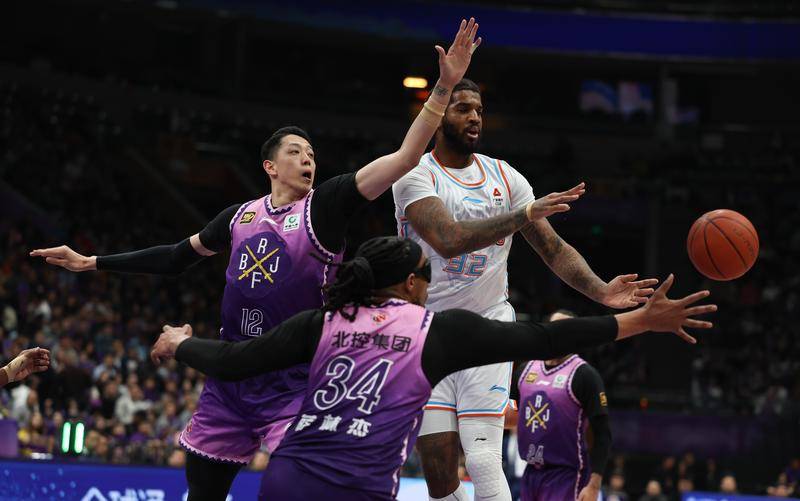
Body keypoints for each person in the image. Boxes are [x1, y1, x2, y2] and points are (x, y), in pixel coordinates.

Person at [30, 18, 482, 500]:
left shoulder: (325, 206)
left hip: (295, 382)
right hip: (228, 382)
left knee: (301, 490)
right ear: (270, 166)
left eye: (312, 154)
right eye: (296, 152)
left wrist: (443, 87)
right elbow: (175, 257)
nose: (308, 160)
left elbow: (405, 157)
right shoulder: (238, 217)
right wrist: (92, 262)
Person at [150, 236, 716, 501]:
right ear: (413, 284)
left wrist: (180, 343)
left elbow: (234, 360)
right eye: (428, 274)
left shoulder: (321, 321)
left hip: (287, 479)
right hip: (356, 490)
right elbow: (548, 336)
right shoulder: (435, 330)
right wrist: (641, 321)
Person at [392, 78, 658, 501]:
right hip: (426, 331)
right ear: (438, 116)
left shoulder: (505, 176)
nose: (475, 117)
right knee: (439, 475)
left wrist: (601, 292)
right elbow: (448, 238)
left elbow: (553, 249)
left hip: (488, 328)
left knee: (483, 458)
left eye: (479, 110)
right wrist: (525, 213)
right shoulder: (412, 176)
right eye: (463, 109)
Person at [510, 309, 612, 500]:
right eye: (555, 327)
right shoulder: (525, 370)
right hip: (531, 472)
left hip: (567, 475)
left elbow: (603, 434)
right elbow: (510, 416)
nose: (559, 333)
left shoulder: (584, 375)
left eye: (566, 329)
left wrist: (594, 484)